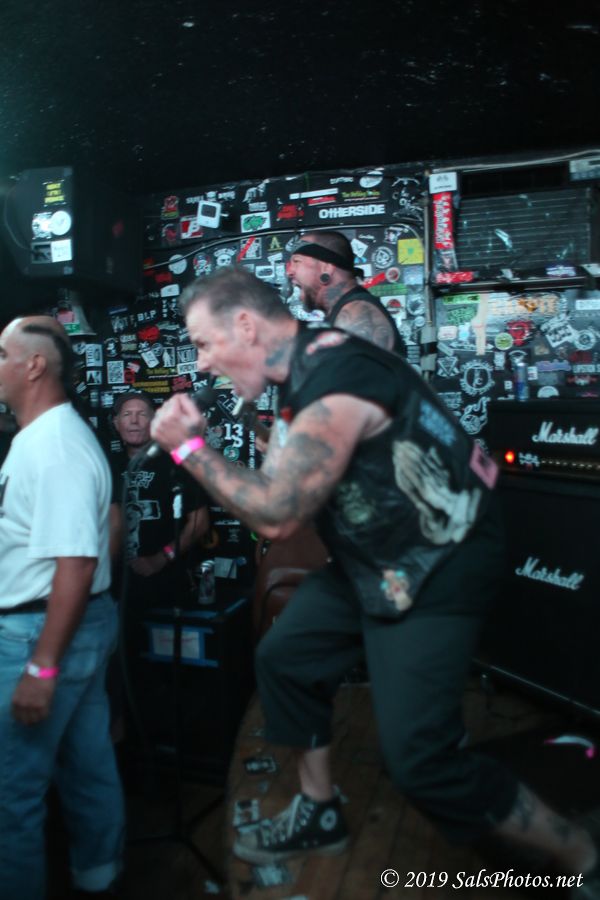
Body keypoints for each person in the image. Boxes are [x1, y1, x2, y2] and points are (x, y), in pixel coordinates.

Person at [150, 268, 598, 895]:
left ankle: (581, 856)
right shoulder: (300, 370)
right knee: (286, 657)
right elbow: (287, 478)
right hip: (375, 556)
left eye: (203, 343)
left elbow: (278, 515)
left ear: (245, 325)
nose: (201, 363)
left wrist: (188, 449)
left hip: (438, 560)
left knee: (420, 762)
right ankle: (318, 810)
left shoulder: (336, 379)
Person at [0, 316, 125, 900]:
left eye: (2, 353)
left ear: (33, 366)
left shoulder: (54, 447)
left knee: (12, 795)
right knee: (86, 765)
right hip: (66, 625)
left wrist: (41, 668)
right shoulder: (41, 438)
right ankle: (99, 878)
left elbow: (75, 563)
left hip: (40, 632)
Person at [110, 389, 210, 604]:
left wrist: (161, 558)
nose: (134, 421)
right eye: (127, 414)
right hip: (114, 587)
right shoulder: (105, 465)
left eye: (142, 414)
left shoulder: (177, 464)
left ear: (154, 421)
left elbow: (199, 523)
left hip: (164, 584)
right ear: (116, 423)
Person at [286, 230, 405, 353]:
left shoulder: (356, 313)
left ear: (326, 268)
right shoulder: (346, 309)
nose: (289, 272)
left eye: (297, 261)